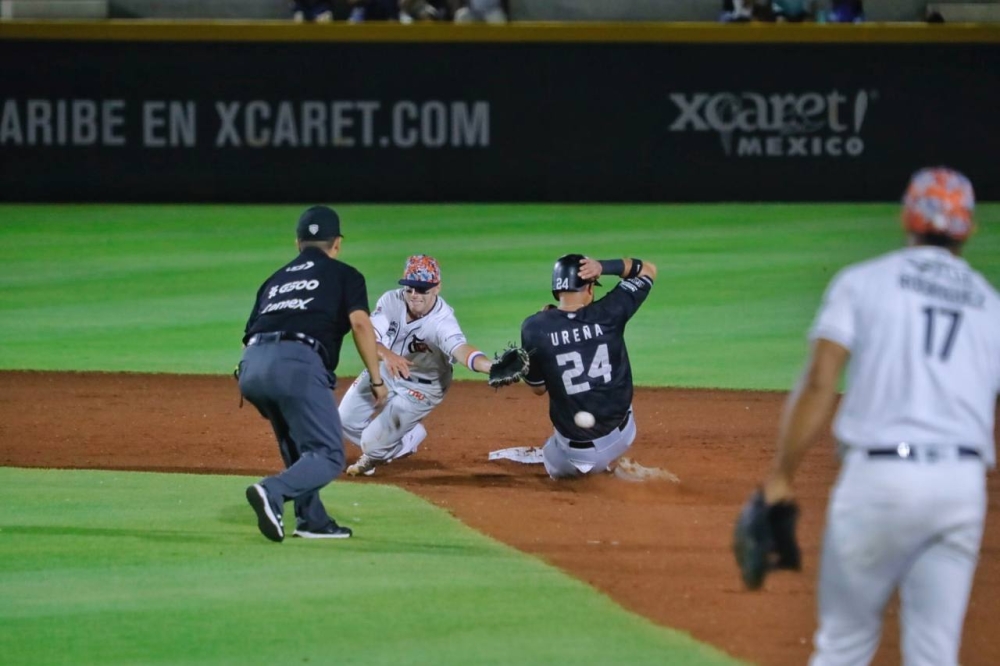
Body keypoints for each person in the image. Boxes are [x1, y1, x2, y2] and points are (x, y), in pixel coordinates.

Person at [757, 167, 998, 665]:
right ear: (969, 228)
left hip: (880, 481)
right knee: (935, 654)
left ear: (906, 218)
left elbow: (823, 379)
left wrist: (781, 475)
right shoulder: (991, 306)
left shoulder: (864, 282)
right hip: (960, 486)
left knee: (845, 645)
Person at [239, 205, 388, 542]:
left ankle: (312, 520)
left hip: (252, 367)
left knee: (298, 443)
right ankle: (272, 492)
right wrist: (376, 379)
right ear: (337, 243)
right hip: (297, 364)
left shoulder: (274, 280)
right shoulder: (345, 274)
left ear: (298, 243)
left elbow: (250, 336)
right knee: (330, 454)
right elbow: (360, 323)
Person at [340, 254, 495, 476]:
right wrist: (387, 354)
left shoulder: (442, 321)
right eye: (410, 288)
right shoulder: (391, 301)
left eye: (422, 289)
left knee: (370, 444)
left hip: (423, 386)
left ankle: (392, 444)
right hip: (388, 369)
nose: (414, 295)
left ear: (437, 287)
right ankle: (391, 443)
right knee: (345, 420)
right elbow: (368, 336)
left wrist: (489, 366)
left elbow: (460, 350)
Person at [519, 254, 657, 479]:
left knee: (551, 458)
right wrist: (603, 266)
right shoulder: (610, 312)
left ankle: (602, 474)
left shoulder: (535, 328)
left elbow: (538, 388)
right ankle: (613, 463)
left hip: (578, 456)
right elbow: (647, 269)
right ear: (590, 287)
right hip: (625, 432)